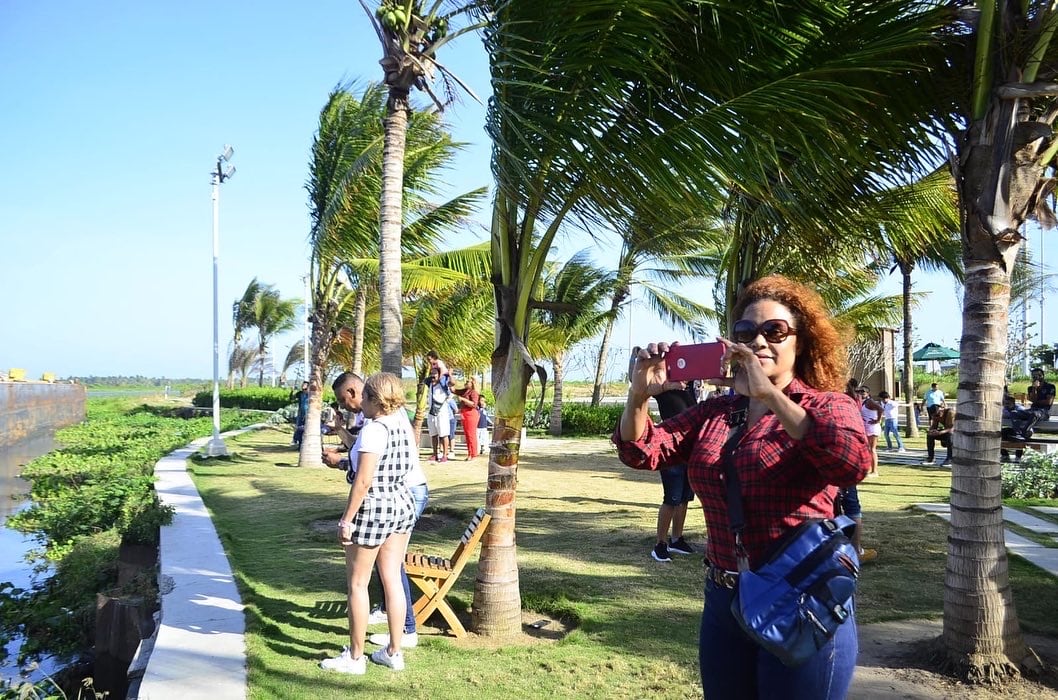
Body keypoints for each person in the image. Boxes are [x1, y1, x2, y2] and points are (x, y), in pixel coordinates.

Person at [614, 275, 869, 698]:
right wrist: (639, 394)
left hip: (802, 597)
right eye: (746, 332)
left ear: (801, 342)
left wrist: (770, 395)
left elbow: (849, 462)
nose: (759, 341)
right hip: (725, 599)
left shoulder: (827, 404)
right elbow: (642, 451)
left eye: (776, 331)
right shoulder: (718, 412)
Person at [321, 373, 417, 675]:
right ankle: (394, 651)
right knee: (392, 579)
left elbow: (363, 481)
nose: (360, 401)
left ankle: (355, 658)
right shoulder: (401, 423)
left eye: (364, 397)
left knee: (357, 584)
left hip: (374, 508)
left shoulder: (374, 429)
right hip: (401, 503)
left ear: (375, 399)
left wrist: (346, 520)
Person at [650, 383, 699, 562]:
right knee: (672, 498)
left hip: (689, 451)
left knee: (685, 498)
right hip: (670, 451)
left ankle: (676, 539)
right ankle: (660, 544)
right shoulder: (664, 389)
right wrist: (668, 384)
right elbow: (642, 384)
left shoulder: (689, 390)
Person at [1008, 367, 1056, 440]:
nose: (1036, 377)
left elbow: (1048, 402)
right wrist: (1035, 388)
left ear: (1042, 376)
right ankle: (1017, 433)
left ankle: (1025, 432)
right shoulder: (1030, 388)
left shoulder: (1050, 387)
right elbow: (1033, 399)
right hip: (1032, 410)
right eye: (1034, 375)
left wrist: (1036, 401)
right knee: (1014, 413)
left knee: (1035, 414)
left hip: (1044, 412)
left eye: (1038, 375)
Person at [424, 367, 452, 462]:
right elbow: (425, 380)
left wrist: (449, 374)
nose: (433, 375)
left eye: (435, 373)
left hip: (441, 411)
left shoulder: (443, 384)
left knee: (443, 434)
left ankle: (444, 455)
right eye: (432, 373)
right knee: (433, 434)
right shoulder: (430, 384)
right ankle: (435, 454)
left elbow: (452, 383)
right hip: (432, 411)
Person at [856, 385, 883, 476]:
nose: (861, 393)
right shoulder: (862, 402)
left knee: (872, 449)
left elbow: (880, 409)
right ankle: (868, 469)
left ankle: (875, 471)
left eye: (863, 392)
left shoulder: (869, 402)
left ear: (867, 393)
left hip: (872, 427)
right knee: (867, 449)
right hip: (866, 427)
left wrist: (878, 420)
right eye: (859, 392)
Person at [453, 377, 482, 460]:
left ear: (472, 384)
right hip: (464, 413)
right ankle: (470, 453)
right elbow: (454, 390)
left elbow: (474, 404)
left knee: (471, 434)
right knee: (467, 434)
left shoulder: (474, 392)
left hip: (471, 414)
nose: (466, 382)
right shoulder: (465, 391)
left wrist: (463, 399)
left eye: (468, 382)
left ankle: (473, 454)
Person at [1001, 390, 1024, 464]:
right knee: (998, 434)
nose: (1006, 405)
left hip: (1024, 430)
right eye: (1005, 404)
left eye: (1008, 404)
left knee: (1019, 436)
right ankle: (1005, 455)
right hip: (1013, 429)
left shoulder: (1020, 409)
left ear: (1013, 403)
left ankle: (1018, 457)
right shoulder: (1005, 409)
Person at [293, 381, 310, 447]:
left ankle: (305, 444)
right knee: (298, 428)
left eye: (305, 389)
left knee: (306, 429)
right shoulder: (300, 393)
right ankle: (298, 442)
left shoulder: (311, 394)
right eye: (303, 388)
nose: (304, 390)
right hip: (301, 413)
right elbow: (292, 398)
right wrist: (293, 391)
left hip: (308, 414)